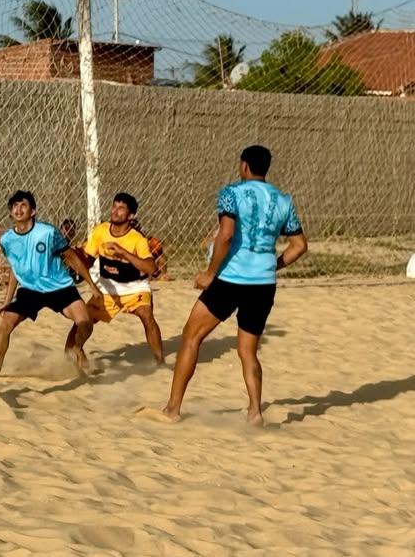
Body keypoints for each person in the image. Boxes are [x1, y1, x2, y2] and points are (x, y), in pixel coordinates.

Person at [161, 144, 307, 425]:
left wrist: (210, 273)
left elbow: (226, 235)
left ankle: (173, 409)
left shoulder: (231, 193)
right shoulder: (283, 200)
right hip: (264, 284)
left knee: (191, 336)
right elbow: (299, 245)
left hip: (231, 278)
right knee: (248, 351)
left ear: (244, 166)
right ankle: (255, 412)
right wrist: (273, 264)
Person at [0, 191, 101, 375]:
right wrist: (7, 301)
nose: (18, 209)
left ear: (33, 211)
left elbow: (71, 257)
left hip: (59, 287)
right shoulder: (6, 240)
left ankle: (76, 348)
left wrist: (91, 284)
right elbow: (15, 268)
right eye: (14, 206)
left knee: (85, 322)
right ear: (10, 212)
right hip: (30, 290)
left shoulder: (48, 232)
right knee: (5, 325)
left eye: (23, 205)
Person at [77, 192, 164, 366]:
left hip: (134, 287)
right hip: (107, 287)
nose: (115, 211)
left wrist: (123, 252)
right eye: (114, 206)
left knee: (146, 315)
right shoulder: (101, 230)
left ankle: (160, 361)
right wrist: (76, 256)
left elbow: (152, 268)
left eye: (121, 208)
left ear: (131, 215)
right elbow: (87, 258)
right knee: (83, 320)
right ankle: (74, 353)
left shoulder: (137, 239)